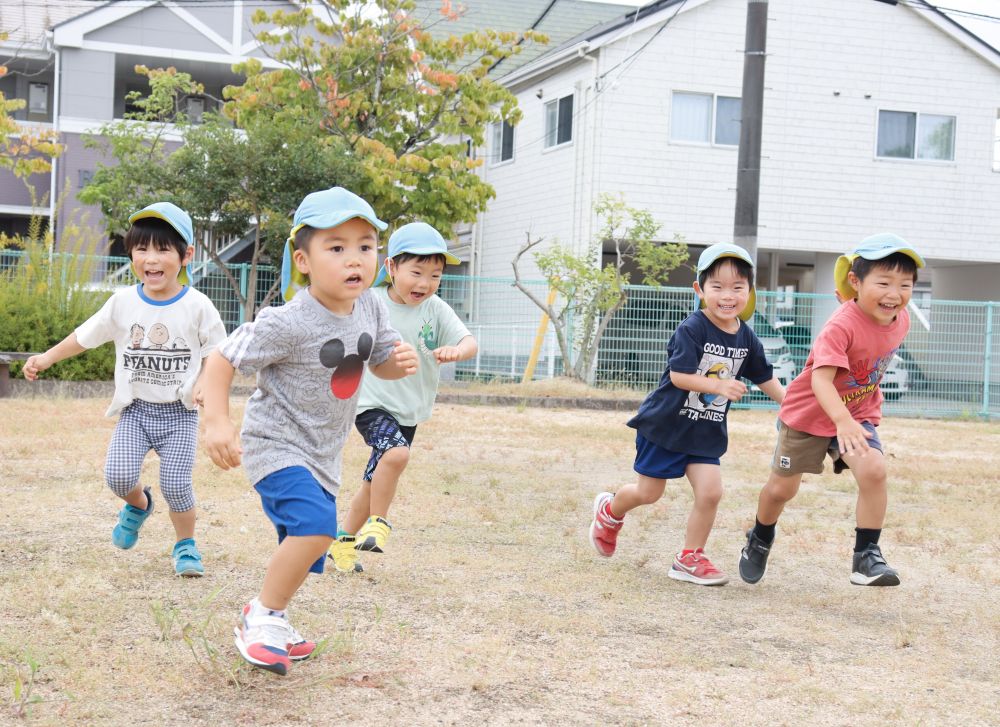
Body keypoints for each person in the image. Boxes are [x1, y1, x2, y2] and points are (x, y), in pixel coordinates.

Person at [199, 187, 418, 676]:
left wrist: (396, 364)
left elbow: (378, 361)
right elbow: (222, 357)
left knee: (307, 545)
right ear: (303, 259)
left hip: (323, 450)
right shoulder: (289, 320)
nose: (354, 258)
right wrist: (216, 420)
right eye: (336, 247)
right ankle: (263, 617)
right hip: (275, 443)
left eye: (365, 246)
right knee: (318, 530)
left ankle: (276, 618)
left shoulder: (372, 307)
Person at [22, 202, 226, 577]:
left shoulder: (199, 307)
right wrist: (47, 358)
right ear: (131, 253)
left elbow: (218, 355)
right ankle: (139, 504)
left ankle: (185, 546)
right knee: (117, 476)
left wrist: (203, 385)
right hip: (136, 410)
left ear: (186, 255)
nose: (152, 258)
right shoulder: (123, 303)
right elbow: (85, 336)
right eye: (142, 249)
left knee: (177, 484)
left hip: (179, 414)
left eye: (163, 249)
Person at [589, 243, 785, 586]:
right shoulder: (692, 328)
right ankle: (610, 510)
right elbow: (679, 376)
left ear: (750, 292)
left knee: (710, 492)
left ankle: (689, 557)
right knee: (649, 493)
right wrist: (719, 387)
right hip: (666, 425)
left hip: (704, 431)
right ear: (700, 290)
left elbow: (765, 376)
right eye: (718, 287)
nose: (728, 296)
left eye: (737, 287)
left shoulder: (747, 337)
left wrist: (792, 404)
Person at [738, 233, 923, 587]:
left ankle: (866, 557)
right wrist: (841, 421)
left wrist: (850, 421)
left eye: (905, 285)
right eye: (883, 283)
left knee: (874, 470)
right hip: (809, 415)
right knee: (782, 491)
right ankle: (760, 537)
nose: (894, 294)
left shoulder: (901, 321)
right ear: (856, 281)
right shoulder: (839, 326)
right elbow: (822, 381)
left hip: (855, 415)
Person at [328, 222, 478, 574]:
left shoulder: (436, 309)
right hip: (369, 403)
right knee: (396, 454)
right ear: (391, 267)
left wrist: (457, 351)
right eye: (416, 272)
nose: (425, 283)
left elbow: (469, 341)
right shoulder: (370, 303)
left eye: (435, 275)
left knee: (373, 480)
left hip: (409, 410)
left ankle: (341, 543)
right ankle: (378, 524)